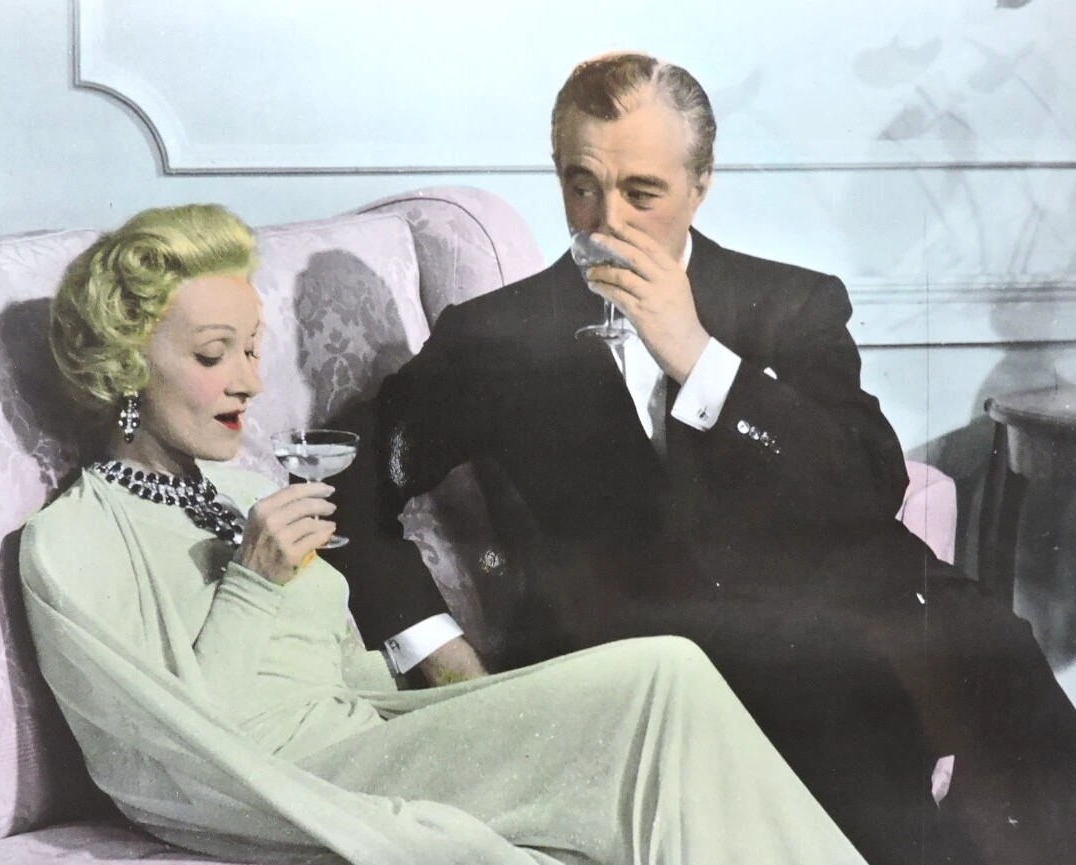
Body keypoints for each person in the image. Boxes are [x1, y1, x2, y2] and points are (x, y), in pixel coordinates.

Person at [338, 52, 1076, 865]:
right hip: (651, 647)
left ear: (700, 184)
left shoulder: (791, 302)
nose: (603, 223)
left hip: (846, 610)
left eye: (641, 193)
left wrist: (699, 358)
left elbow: (871, 482)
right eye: (581, 185)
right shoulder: (498, 335)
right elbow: (342, 476)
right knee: (851, 736)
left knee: (1003, 673)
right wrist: (438, 653)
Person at [18, 203, 867, 865]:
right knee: (659, 680)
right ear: (126, 367)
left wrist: (458, 702)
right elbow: (163, 766)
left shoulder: (246, 492)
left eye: (251, 349)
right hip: (288, 785)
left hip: (375, 737)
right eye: (214, 355)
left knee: (667, 685)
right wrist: (251, 584)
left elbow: (344, 669)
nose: (249, 381)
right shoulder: (69, 545)